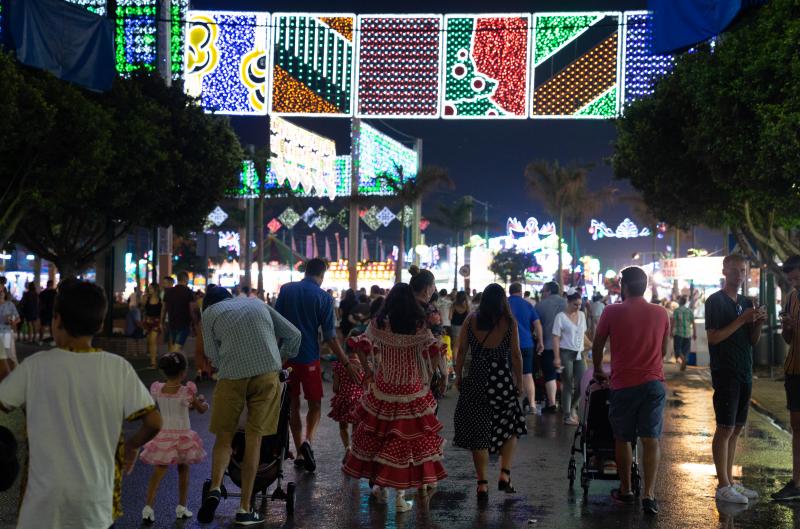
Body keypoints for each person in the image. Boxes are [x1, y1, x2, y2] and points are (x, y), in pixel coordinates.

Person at [0, 279, 162, 529]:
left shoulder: (35, 366)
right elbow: (153, 421)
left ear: (56, 320)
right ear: (99, 324)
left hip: (41, 505)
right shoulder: (117, 368)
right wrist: (131, 446)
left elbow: (4, 400)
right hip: (95, 503)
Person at [198, 286, 301, 525]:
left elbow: (212, 355)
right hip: (267, 375)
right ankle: (244, 508)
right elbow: (295, 334)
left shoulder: (210, 314)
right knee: (254, 437)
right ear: (230, 298)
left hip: (231, 377)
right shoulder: (257, 303)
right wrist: (278, 359)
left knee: (225, 437)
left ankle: (215, 487)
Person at [343, 283, 447, 512]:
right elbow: (434, 351)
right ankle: (401, 495)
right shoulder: (419, 324)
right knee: (408, 443)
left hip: (384, 388)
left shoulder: (380, 323)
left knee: (381, 439)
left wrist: (368, 370)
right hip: (412, 389)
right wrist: (431, 375)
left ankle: (381, 486)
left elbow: (361, 344)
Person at [592, 267, 670, 515]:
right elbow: (664, 350)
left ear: (623, 286)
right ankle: (648, 495)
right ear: (645, 286)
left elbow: (597, 345)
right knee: (650, 438)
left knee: (623, 438)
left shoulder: (611, 311)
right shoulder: (661, 313)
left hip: (623, 384)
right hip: (653, 384)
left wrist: (597, 370)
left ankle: (625, 490)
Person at [276, 258, 359, 473]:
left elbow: (275, 324)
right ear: (322, 274)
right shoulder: (323, 297)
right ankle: (308, 442)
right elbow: (331, 337)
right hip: (309, 357)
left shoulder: (286, 290)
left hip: (286, 357)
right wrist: (346, 363)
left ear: (306, 271)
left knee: (292, 404)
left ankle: (300, 450)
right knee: (314, 405)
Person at [454, 283, 526, 501]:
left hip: (476, 377)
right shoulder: (509, 322)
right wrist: (519, 381)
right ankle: (504, 473)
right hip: (501, 378)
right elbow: (516, 355)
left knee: (479, 432)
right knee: (511, 423)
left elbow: (461, 351)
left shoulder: (471, 319)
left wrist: (458, 376)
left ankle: (482, 484)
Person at [705, 254, 766, 504]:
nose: (739, 275)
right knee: (725, 427)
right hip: (725, 371)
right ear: (724, 272)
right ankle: (723, 485)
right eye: (735, 271)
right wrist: (742, 319)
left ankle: (730, 481)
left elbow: (752, 341)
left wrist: (758, 323)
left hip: (744, 369)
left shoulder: (746, 301)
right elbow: (713, 338)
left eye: (743, 270)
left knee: (737, 427)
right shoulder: (715, 301)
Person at [140, 352, 208, 524]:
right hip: (183, 437)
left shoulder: (158, 389)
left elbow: (182, 407)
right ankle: (181, 507)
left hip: (164, 435)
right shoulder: (187, 391)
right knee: (183, 470)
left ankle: (148, 508)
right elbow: (200, 409)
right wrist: (202, 401)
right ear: (183, 372)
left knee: (158, 472)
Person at [774, 255, 800, 500]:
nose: (793, 281)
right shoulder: (792, 297)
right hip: (794, 368)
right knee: (796, 425)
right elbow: (787, 339)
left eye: (795, 276)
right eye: (790, 277)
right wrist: (789, 328)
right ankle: (796, 481)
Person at [553, 288, 591, 425]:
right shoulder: (560, 317)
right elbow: (556, 338)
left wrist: (592, 345)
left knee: (583, 383)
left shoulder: (581, 315)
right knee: (568, 384)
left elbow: (582, 334)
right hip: (565, 353)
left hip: (579, 354)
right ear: (568, 303)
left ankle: (572, 407)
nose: (578, 307)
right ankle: (567, 415)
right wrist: (556, 357)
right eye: (575, 304)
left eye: (580, 304)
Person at [508, 282, 544, 415]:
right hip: (527, 344)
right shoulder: (528, 305)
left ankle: (511, 404)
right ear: (521, 292)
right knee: (527, 374)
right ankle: (533, 405)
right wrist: (540, 341)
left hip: (509, 345)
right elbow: (537, 324)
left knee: (511, 373)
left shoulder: (505, 304)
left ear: (510, 291)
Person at [328, 337, 365, 460]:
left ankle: (347, 448)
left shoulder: (339, 366)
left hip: (343, 400)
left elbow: (335, 388)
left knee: (343, 427)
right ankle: (354, 451)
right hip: (358, 401)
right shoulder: (364, 366)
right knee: (356, 427)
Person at [536, 282, 566, 413]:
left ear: (548, 291)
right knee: (565, 375)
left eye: (543, 291)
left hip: (548, 346)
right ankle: (567, 403)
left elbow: (536, 325)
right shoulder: (567, 303)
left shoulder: (540, 305)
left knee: (549, 375)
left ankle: (552, 403)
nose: (542, 293)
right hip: (566, 347)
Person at [162, 271, 195, 353]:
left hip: (172, 322)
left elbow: (164, 309)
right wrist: (194, 323)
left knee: (176, 345)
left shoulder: (169, 292)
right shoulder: (188, 291)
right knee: (177, 347)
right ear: (186, 279)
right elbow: (191, 310)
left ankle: (181, 364)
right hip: (184, 323)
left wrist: (161, 321)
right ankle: (171, 362)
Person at [672, 296, 695, 371]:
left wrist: (671, 331)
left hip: (679, 333)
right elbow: (693, 323)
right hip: (688, 333)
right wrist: (694, 333)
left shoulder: (677, 310)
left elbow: (674, 322)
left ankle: (683, 360)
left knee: (677, 349)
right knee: (686, 350)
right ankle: (683, 363)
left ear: (680, 302)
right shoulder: (689, 310)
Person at [0, 289, 19, 380]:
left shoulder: (9, 305)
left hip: (6, 333)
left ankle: (15, 377)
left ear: (4, 293)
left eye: (1, 291)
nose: (0, 293)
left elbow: (17, 318)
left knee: (10, 355)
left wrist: (12, 322)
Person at [143, 283, 163, 369]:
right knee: (149, 341)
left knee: (152, 340)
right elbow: (143, 308)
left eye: (150, 288)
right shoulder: (146, 298)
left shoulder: (160, 300)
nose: (149, 290)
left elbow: (162, 312)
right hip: (148, 321)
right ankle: (153, 358)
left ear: (155, 289)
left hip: (156, 321)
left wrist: (161, 323)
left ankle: (153, 362)